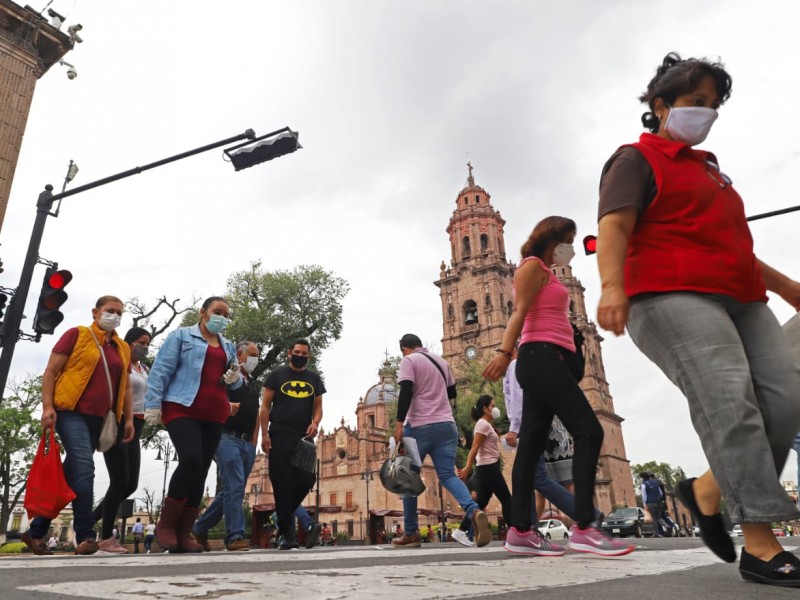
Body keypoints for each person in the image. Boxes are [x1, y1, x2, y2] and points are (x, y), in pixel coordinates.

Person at [596, 52, 800, 586]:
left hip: (743, 296)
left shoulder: (712, 172)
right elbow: (613, 228)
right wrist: (613, 286)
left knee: (784, 399)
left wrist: (790, 290)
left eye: (713, 105)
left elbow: (734, 250)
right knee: (729, 399)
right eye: (696, 102)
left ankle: (707, 490)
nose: (707, 113)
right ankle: (760, 544)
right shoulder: (634, 160)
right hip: (668, 294)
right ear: (661, 107)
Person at [483, 218, 633, 557]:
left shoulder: (548, 273)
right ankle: (583, 527)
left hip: (548, 359)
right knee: (590, 432)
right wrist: (505, 354)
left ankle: (520, 531)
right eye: (567, 241)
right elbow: (519, 313)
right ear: (551, 240)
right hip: (541, 357)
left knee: (531, 449)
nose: (571, 249)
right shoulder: (531, 266)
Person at [22, 296, 134, 557]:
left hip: (103, 419)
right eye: (109, 311)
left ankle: (36, 530)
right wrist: (47, 407)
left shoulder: (121, 347)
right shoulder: (76, 335)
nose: (114, 316)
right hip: (71, 412)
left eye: (119, 312)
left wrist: (127, 419)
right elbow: (50, 372)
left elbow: (126, 386)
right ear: (95, 312)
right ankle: (85, 535)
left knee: (70, 472)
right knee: (85, 466)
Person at [144, 296, 244, 553]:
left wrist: (234, 377)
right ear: (203, 312)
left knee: (201, 470)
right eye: (217, 312)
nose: (222, 317)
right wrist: (153, 404)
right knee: (190, 458)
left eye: (226, 314)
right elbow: (161, 370)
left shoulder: (228, 345)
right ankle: (166, 524)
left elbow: (235, 383)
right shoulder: (181, 337)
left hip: (214, 413)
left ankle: (184, 530)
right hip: (181, 407)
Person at [391, 334, 491, 548]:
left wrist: (399, 424)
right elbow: (452, 392)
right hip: (447, 426)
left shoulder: (409, 361)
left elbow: (406, 391)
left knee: (409, 477)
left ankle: (410, 533)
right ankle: (473, 510)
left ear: (404, 348)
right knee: (447, 475)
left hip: (418, 426)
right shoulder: (441, 361)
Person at [504, 355, 603, 527]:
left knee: (536, 477)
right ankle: (527, 528)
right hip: (544, 424)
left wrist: (514, 427)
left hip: (529, 426)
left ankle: (586, 514)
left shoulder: (516, 364)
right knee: (527, 476)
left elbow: (518, 398)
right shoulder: (539, 363)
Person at [193, 341, 261, 552]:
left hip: (247, 442)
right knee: (235, 486)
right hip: (225, 437)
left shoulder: (254, 384)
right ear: (239, 356)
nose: (255, 360)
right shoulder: (230, 377)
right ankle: (234, 536)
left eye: (257, 356)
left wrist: (255, 439)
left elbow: (257, 413)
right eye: (251, 355)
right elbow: (213, 392)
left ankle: (200, 527)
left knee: (233, 488)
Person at [259, 339, 324, 550]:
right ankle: (287, 535)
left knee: (307, 478)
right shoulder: (276, 375)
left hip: (304, 437)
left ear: (309, 356)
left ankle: (281, 515)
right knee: (282, 482)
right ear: (289, 353)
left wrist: (315, 422)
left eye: (304, 353)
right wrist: (264, 435)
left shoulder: (314, 378)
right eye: (297, 352)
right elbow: (265, 407)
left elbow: (318, 407)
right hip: (279, 434)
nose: (300, 355)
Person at [92, 326, 151, 554]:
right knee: (119, 480)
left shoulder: (142, 368)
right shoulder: (120, 361)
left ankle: (90, 520)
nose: (144, 347)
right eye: (141, 342)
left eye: (147, 343)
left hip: (137, 424)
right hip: (118, 420)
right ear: (129, 342)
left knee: (131, 483)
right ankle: (106, 537)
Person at [453, 395, 512, 548]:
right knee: (506, 499)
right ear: (485, 409)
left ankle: (461, 531)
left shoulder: (487, 424)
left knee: (480, 502)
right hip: (487, 467)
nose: (495, 408)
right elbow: (474, 447)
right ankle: (514, 534)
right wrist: (467, 467)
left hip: (488, 466)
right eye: (493, 405)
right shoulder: (482, 425)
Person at [640, 473, 664, 537]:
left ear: (643, 478)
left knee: (653, 518)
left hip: (650, 503)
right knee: (658, 517)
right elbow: (661, 493)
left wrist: (644, 504)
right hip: (658, 502)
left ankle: (656, 533)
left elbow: (644, 495)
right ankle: (668, 526)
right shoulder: (655, 482)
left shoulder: (644, 484)